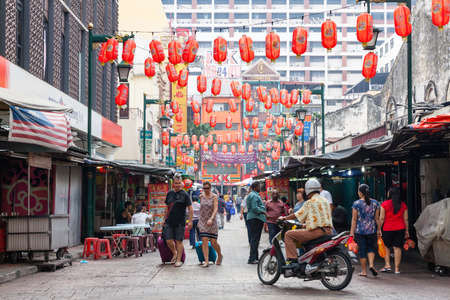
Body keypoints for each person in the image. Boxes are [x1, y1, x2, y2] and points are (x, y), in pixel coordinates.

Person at [278, 178, 333, 269]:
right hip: (328, 231)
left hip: (316, 232)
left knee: (288, 235)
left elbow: (297, 214)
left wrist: (284, 218)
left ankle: (293, 261)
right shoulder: (325, 201)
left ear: (308, 190)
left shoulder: (310, 202)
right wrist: (306, 224)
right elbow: (318, 218)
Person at [350, 184, 381, 277]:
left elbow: (354, 219)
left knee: (362, 251)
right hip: (372, 230)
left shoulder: (356, 203)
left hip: (360, 231)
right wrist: (379, 229)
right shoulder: (375, 203)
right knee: (371, 248)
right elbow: (377, 218)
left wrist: (352, 232)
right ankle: (371, 265)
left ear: (360, 192)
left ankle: (364, 271)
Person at [163, 174, 193, 267]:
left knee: (179, 241)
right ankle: (174, 253)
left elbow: (190, 208)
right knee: (168, 240)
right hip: (169, 221)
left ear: (182, 183)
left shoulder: (185, 194)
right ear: (173, 183)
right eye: (176, 183)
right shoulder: (169, 193)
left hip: (180, 222)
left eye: (179, 183)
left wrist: (190, 221)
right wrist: (164, 219)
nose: (177, 185)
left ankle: (179, 260)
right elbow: (166, 207)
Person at [379, 187, 409, 274]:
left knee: (387, 247)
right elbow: (406, 219)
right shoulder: (403, 205)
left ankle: (387, 265)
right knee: (397, 248)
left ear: (390, 194)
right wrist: (407, 231)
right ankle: (396, 269)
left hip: (387, 229)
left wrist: (379, 229)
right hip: (400, 228)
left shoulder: (384, 204)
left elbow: (381, 218)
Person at [198, 181, 223, 267]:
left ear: (210, 188)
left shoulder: (214, 197)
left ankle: (219, 255)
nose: (206, 190)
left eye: (207, 188)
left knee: (213, 242)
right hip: (202, 221)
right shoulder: (201, 196)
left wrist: (211, 218)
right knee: (204, 240)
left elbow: (215, 209)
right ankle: (206, 261)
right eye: (204, 188)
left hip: (212, 221)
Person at [246, 182, 267, 264]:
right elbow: (254, 208)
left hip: (253, 218)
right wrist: (263, 212)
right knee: (255, 239)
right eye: (259, 186)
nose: (260, 187)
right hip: (255, 218)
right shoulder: (254, 195)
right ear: (255, 187)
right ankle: (252, 258)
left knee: (254, 239)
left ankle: (254, 257)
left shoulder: (252, 194)